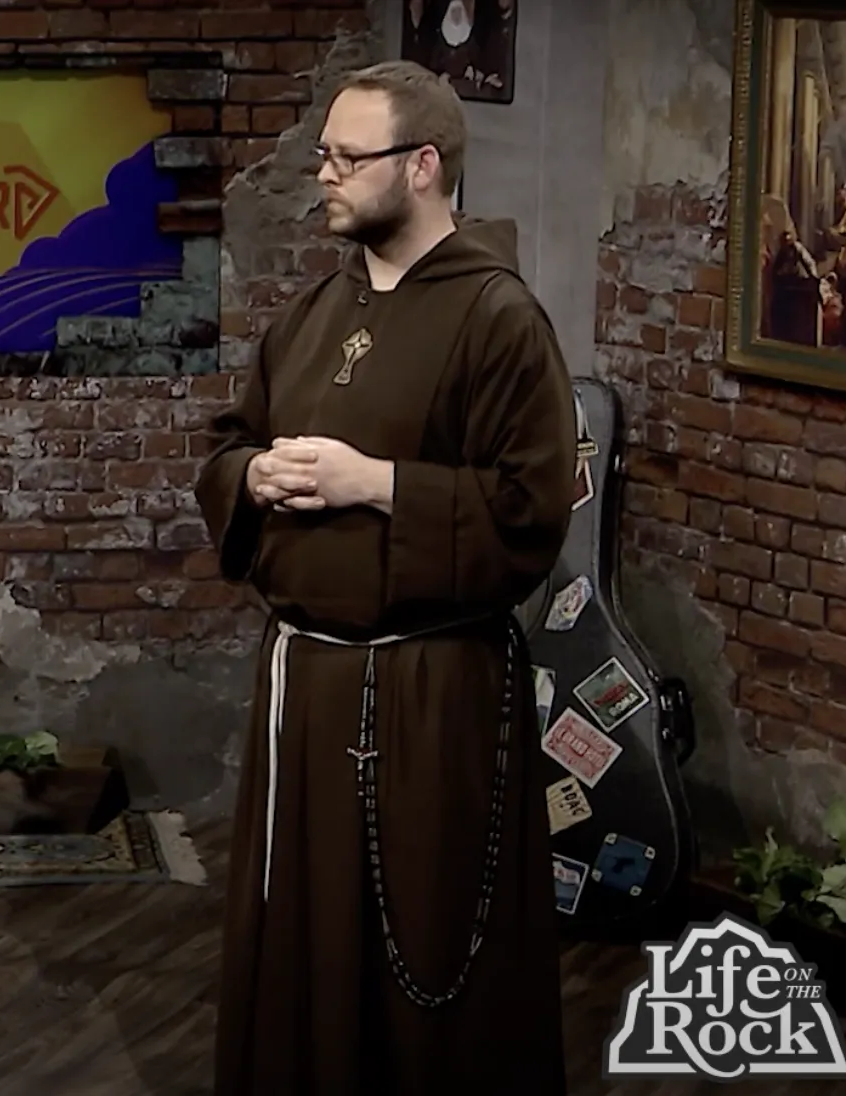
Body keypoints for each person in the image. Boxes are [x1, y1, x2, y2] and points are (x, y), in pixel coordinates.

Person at [196, 60, 574, 1093]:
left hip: (429, 699)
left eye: (345, 156)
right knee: (306, 940)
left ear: (421, 168)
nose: (322, 172)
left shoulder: (500, 321)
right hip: (308, 691)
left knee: (426, 947)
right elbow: (227, 440)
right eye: (323, 151)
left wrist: (383, 485)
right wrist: (252, 472)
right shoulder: (317, 312)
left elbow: (531, 513)